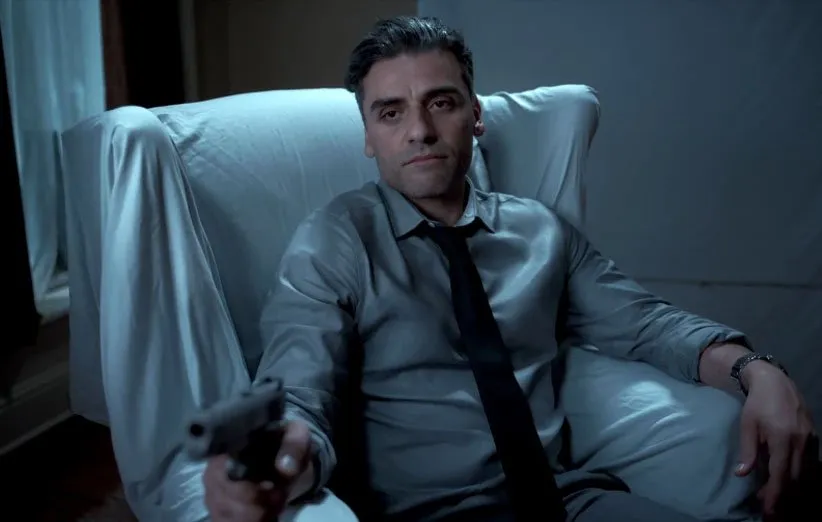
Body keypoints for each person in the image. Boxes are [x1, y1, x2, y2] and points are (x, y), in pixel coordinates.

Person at [202, 15, 816, 522]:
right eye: (390, 113)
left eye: (440, 103)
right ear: (368, 136)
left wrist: (756, 370)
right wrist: (283, 462)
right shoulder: (335, 241)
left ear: (475, 115)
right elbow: (300, 391)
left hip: (569, 498)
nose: (419, 131)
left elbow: (648, 326)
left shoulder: (539, 230)